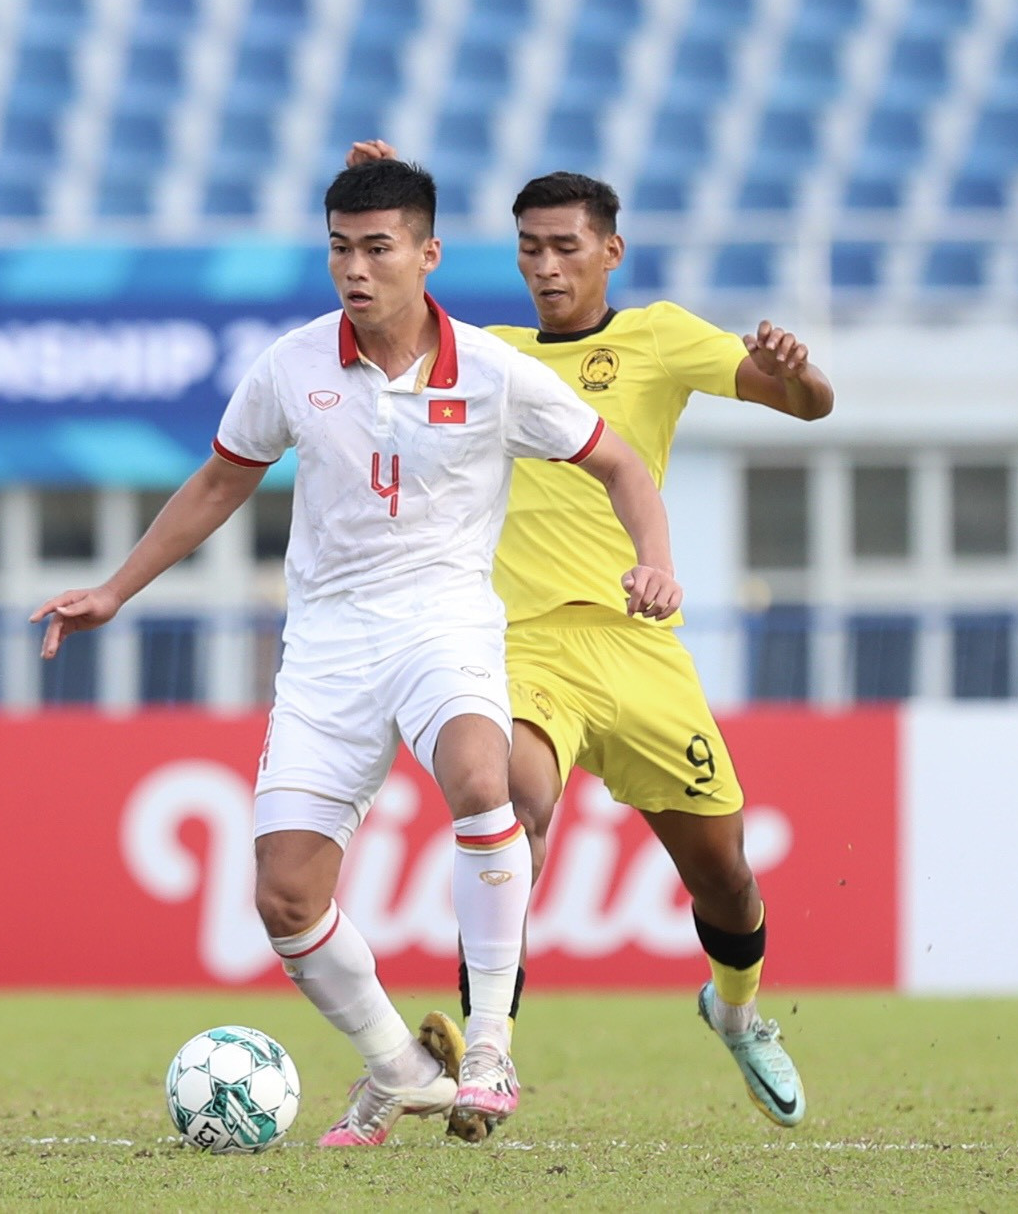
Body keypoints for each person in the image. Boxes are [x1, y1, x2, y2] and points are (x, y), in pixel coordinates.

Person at [34, 160, 682, 1145]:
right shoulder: (293, 364)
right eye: (340, 247)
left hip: (443, 619)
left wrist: (656, 560)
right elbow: (220, 479)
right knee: (285, 896)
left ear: (427, 255)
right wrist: (115, 589)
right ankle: (399, 1067)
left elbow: (619, 462)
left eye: (378, 247)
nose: (355, 268)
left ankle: (491, 1043)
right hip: (328, 644)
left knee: (481, 772)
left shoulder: (497, 373)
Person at [348, 144, 833, 1136]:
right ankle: (490, 1053)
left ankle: (736, 1013)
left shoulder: (658, 338)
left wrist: (800, 374)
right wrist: (391, 202)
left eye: (565, 247)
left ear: (610, 249)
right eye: (529, 249)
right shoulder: (481, 350)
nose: (545, 267)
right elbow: (377, 306)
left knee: (724, 873)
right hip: (518, 643)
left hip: (638, 642)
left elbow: (805, 405)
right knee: (509, 803)